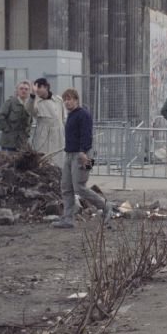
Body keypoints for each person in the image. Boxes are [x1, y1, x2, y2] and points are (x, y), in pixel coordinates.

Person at [53, 89, 114, 229]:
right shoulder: (71, 115)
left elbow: (87, 135)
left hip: (84, 155)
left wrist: (83, 152)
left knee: (79, 187)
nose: (67, 102)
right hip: (69, 155)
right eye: (65, 100)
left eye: (70, 99)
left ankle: (106, 206)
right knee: (66, 187)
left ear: (76, 99)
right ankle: (68, 219)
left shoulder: (83, 114)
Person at [27, 78, 65, 166]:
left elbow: (63, 117)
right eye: (36, 88)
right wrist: (32, 95)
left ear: (46, 87)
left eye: (39, 87)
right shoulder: (35, 102)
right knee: (43, 161)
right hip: (43, 136)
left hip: (58, 135)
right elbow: (29, 109)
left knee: (58, 160)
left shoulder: (58, 100)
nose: (37, 90)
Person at [0, 80, 32, 152]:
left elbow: (30, 122)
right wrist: (7, 130)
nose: (23, 91)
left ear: (29, 92)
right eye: (21, 89)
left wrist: (27, 133)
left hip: (22, 143)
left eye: (26, 89)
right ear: (17, 90)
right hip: (8, 143)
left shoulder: (29, 105)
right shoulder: (10, 102)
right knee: (9, 163)